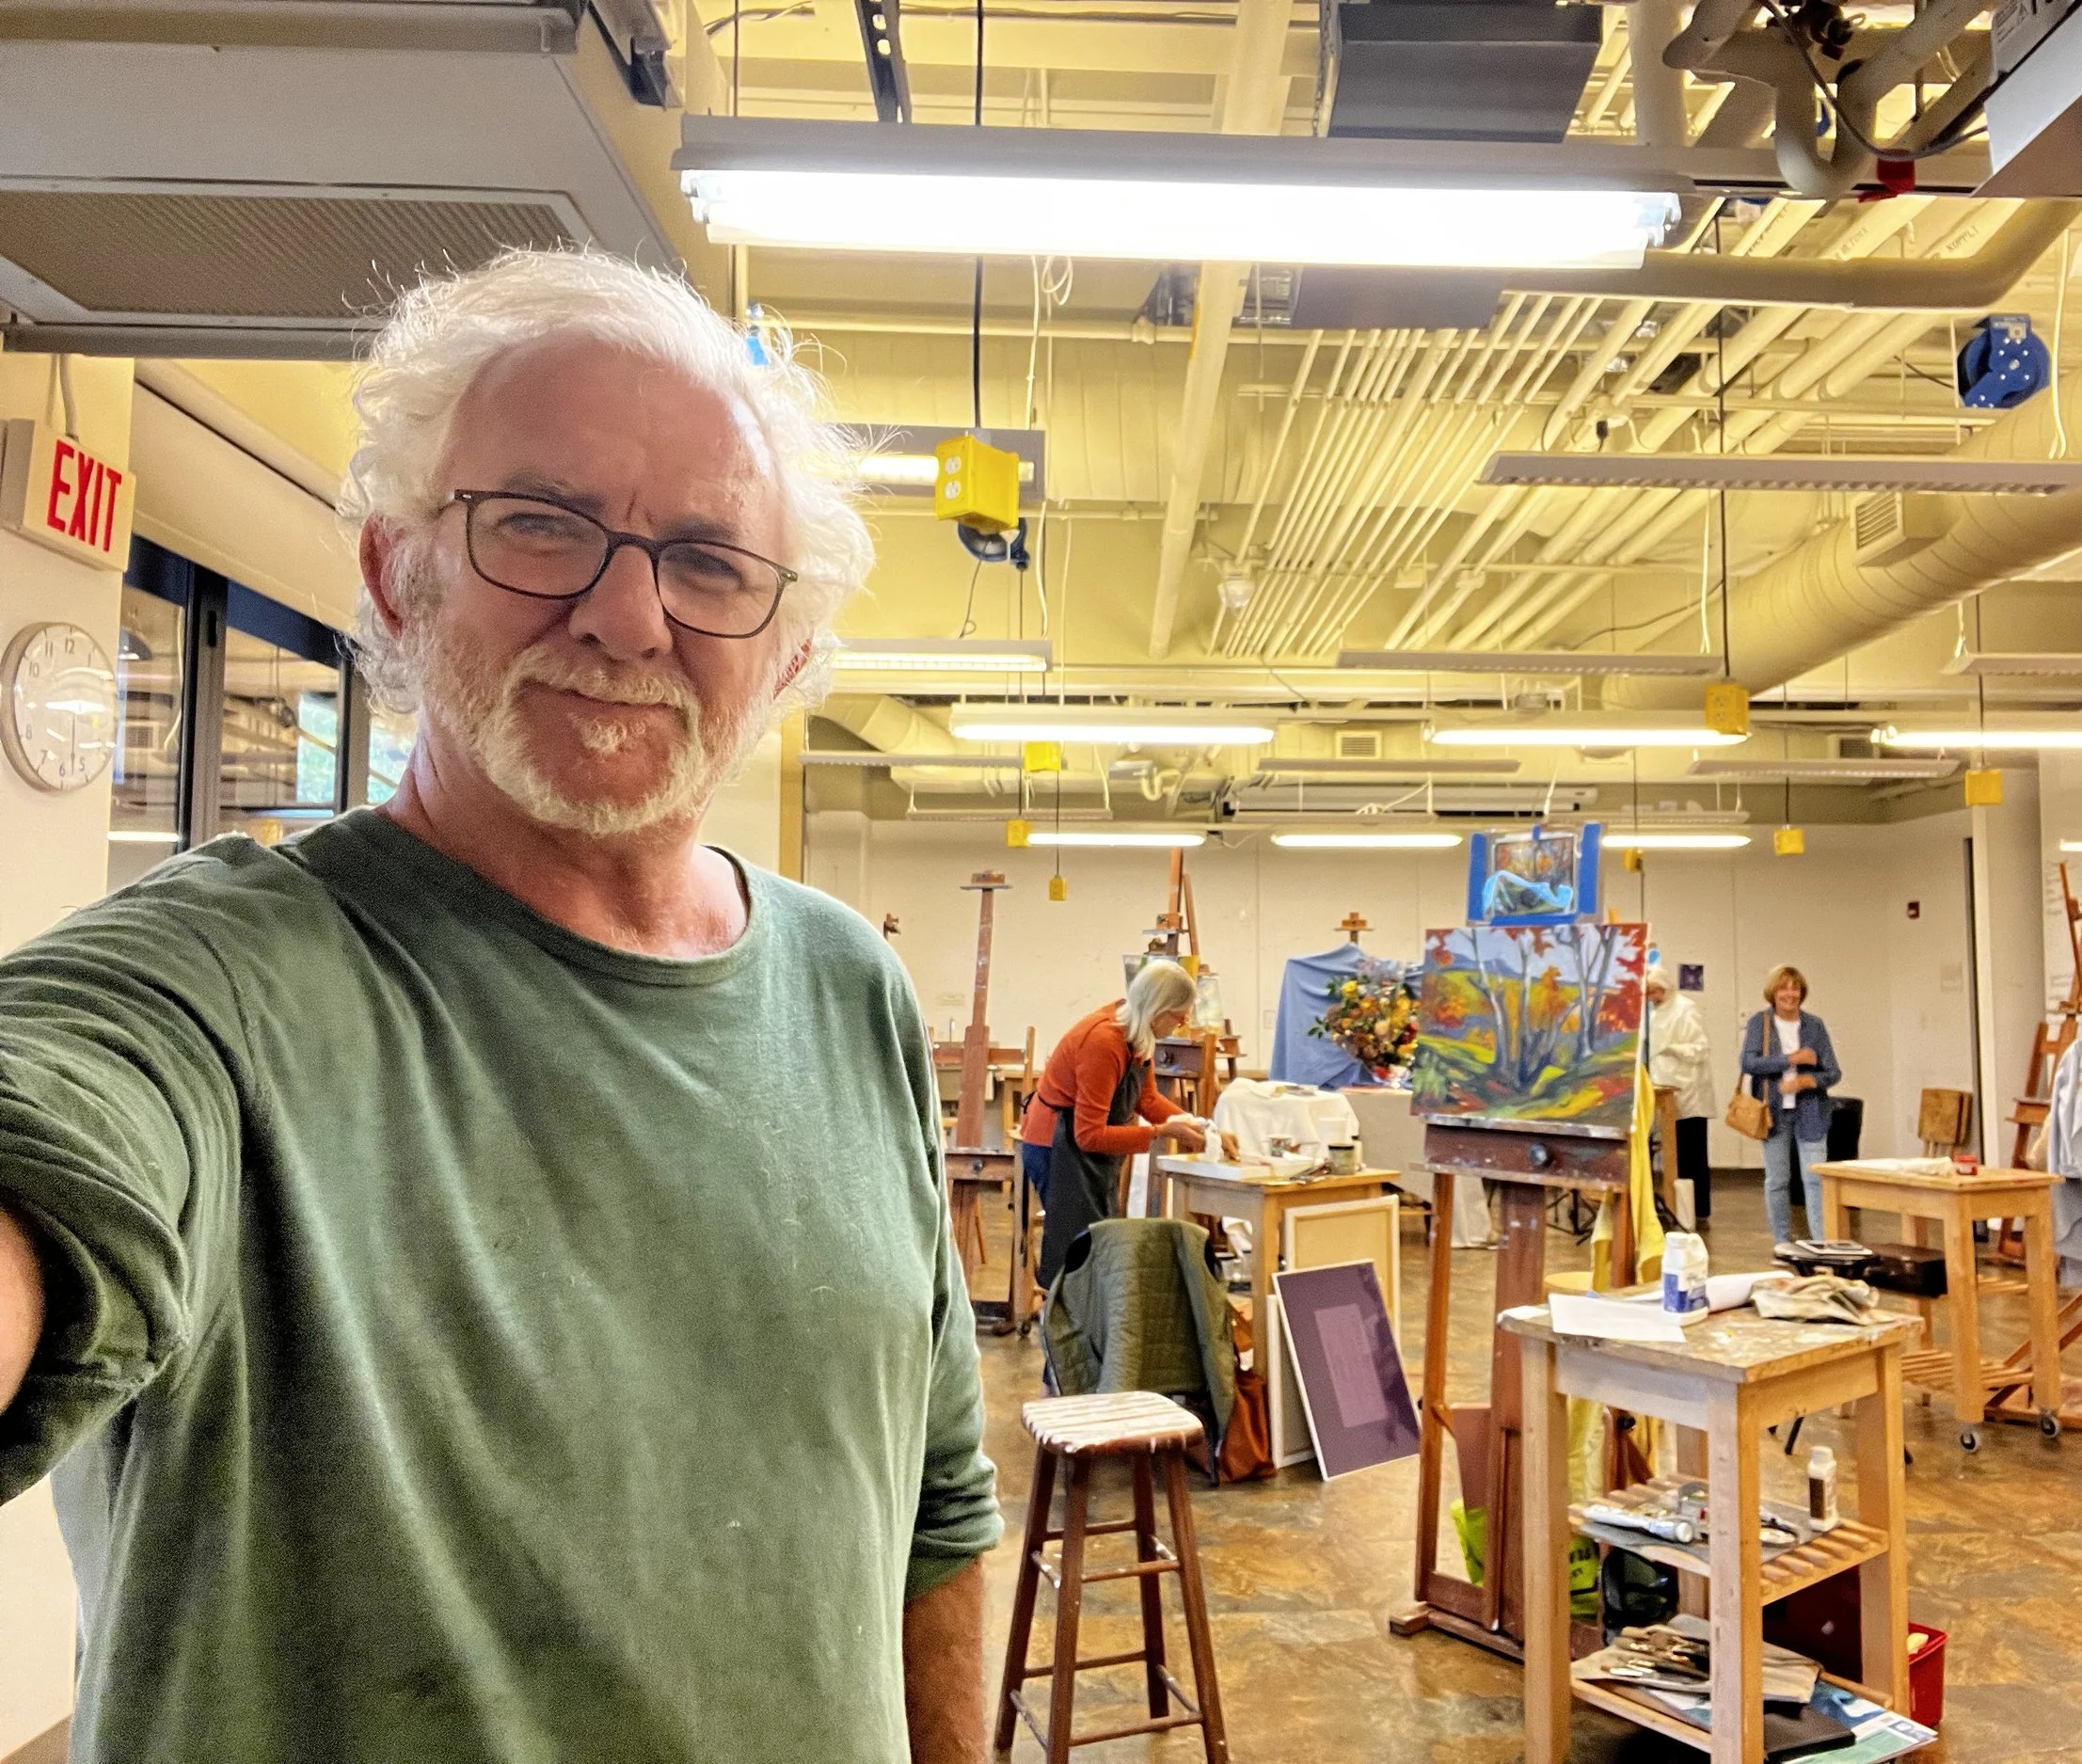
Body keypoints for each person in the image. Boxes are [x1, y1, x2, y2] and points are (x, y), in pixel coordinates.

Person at [0, 249, 1002, 1762]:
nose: (625, 612)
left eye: (708, 561)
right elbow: (49, 1131)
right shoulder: (217, 990)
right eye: (540, 523)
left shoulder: (848, 984)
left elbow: (935, 1502)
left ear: (787, 648)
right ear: (398, 567)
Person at [1026, 961, 1212, 1284]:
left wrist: (1201, 1127)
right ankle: (1066, 1325)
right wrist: (1159, 1133)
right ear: (1157, 1008)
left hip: (1086, 1149)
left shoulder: (1138, 1033)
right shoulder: (1103, 1042)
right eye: (1178, 1016)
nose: (1182, 1023)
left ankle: (1093, 1323)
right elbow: (1088, 1135)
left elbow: (1147, 1099)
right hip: (1057, 1147)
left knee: (1101, 1242)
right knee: (1079, 1252)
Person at [1739, 964, 1842, 1248]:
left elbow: (1833, 1072)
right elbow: (1748, 1063)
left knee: (1815, 1181)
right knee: (1777, 1180)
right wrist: (1791, 1060)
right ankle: (1782, 1244)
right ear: (1772, 992)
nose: (1790, 994)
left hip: (1811, 1112)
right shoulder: (1760, 1023)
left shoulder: (1815, 1025)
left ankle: (1821, 1244)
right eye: (1783, 987)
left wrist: (1806, 1081)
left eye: (1795, 988)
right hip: (1772, 1112)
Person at [1645, 961, 1716, 1220]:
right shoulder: (1651, 1014)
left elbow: (1700, 1049)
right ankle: (1673, 1204)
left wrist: (1671, 1048)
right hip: (1661, 1092)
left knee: (1691, 1152)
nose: (1654, 997)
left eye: (1657, 991)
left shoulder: (1685, 1008)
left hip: (1688, 1091)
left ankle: (1696, 1210)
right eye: (1649, 992)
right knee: (1668, 1152)